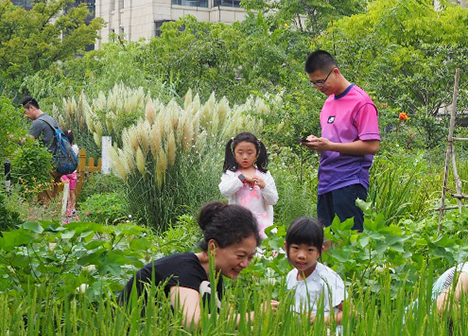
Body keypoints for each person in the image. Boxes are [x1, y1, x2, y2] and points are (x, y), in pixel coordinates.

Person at [119, 202, 260, 326]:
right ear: (213, 247)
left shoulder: (214, 276)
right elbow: (191, 321)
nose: (245, 264)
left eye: (250, 257)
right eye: (240, 256)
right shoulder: (184, 269)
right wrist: (250, 317)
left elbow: (222, 321)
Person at [303, 50, 381, 232]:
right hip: (326, 182)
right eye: (313, 83)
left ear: (336, 72)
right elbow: (334, 139)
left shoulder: (361, 102)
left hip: (349, 182)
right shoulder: (329, 102)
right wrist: (316, 143)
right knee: (326, 244)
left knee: (349, 243)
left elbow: (372, 145)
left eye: (320, 81)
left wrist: (330, 146)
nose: (318, 87)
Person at [21, 96, 78, 220]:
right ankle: (57, 221)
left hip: (48, 165)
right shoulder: (52, 120)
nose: (26, 116)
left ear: (31, 107)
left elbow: (28, 143)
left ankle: (49, 223)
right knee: (55, 196)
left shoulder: (38, 123)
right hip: (59, 164)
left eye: (25, 112)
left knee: (45, 197)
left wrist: (13, 138)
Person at [284, 217, 346, 325]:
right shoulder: (291, 276)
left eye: (310, 250)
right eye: (296, 248)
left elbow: (350, 312)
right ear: (286, 247)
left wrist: (320, 321)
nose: (301, 255)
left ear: (320, 252)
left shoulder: (327, 278)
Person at [219, 132, 278, 239]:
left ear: (257, 153)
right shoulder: (231, 174)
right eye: (240, 153)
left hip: (263, 225)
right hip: (237, 224)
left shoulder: (264, 175)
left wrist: (264, 186)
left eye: (250, 153)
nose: (245, 157)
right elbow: (225, 191)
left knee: (267, 251)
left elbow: (273, 200)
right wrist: (241, 179)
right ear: (234, 153)